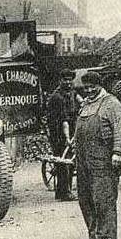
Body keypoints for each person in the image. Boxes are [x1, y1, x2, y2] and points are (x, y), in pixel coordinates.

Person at [73, 71, 121, 239]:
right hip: (83, 158)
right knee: (85, 197)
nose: (88, 90)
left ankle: (106, 237)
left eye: (92, 87)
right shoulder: (86, 104)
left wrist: (118, 152)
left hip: (103, 158)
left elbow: (120, 128)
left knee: (103, 198)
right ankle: (94, 234)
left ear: (100, 85)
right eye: (86, 87)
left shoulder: (111, 103)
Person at [46, 70, 78, 201]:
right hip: (59, 132)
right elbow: (64, 119)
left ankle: (62, 192)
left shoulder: (71, 93)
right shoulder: (57, 97)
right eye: (65, 80)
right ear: (60, 80)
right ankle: (65, 193)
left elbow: (80, 100)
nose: (68, 82)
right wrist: (67, 138)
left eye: (70, 80)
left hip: (69, 128)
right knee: (64, 162)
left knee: (67, 162)